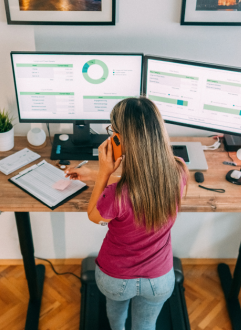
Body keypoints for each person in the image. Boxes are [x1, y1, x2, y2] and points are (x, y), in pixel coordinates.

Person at [65, 97, 188, 330]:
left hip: (115, 278)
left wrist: (103, 172)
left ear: (121, 139)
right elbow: (142, 184)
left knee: (116, 320)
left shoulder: (116, 194)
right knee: (146, 326)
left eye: (112, 131)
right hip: (159, 279)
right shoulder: (179, 169)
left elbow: (93, 215)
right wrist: (92, 175)